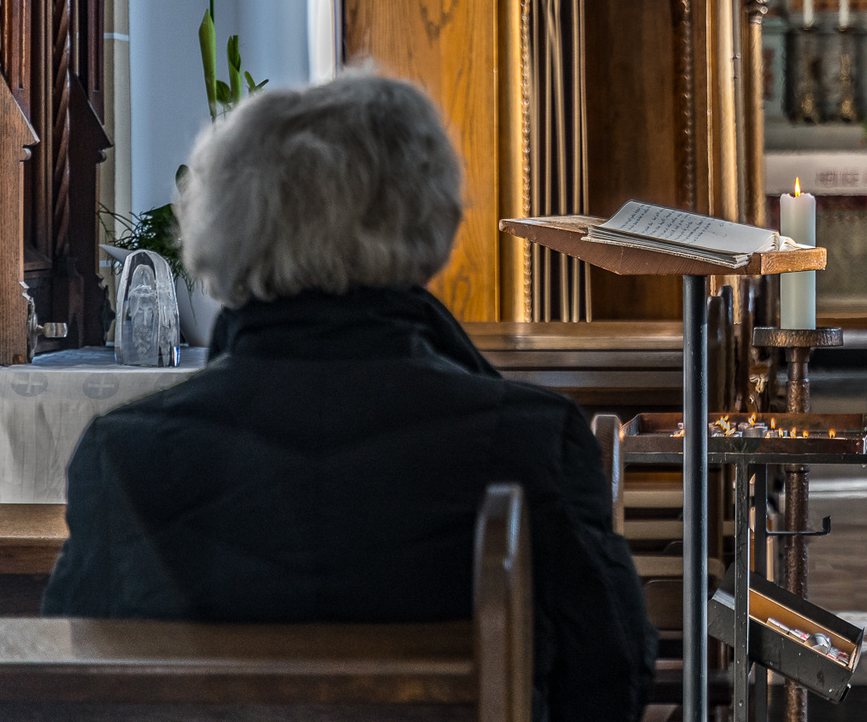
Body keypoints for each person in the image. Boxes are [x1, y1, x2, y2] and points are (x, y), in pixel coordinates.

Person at [42, 72, 655, 722]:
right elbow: (610, 683)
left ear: (222, 224)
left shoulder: (123, 455)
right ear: (429, 219)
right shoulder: (531, 442)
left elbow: (71, 689)